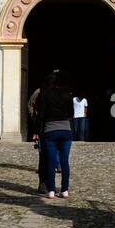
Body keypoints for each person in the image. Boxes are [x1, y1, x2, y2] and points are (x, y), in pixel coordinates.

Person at [37, 70, 75, 199]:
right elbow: (71, 113)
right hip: (65, 130)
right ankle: (64, 190)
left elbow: (41, 114)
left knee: (51, 161)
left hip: (50, 130)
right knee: (64, 161)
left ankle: (51, 190)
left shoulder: (44, 95)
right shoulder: (67, 95)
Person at [28, 84, 50, 194]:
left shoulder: (60, 93)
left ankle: (46, 183)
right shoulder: (40, 93)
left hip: (48, 128)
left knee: (46, 157)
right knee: (45, 156)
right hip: (45, 128)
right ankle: (46, 184)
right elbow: (32, 106)